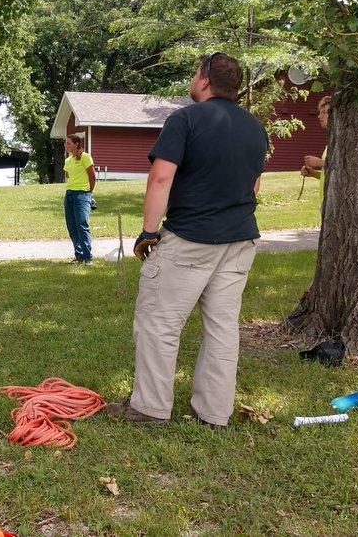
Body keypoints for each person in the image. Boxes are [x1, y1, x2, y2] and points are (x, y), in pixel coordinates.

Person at [105, 52, 268, 429]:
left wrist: (148, 232)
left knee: (159, 323)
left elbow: (161, 178)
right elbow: (255, 183)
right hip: (240, 240)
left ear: (206, 80)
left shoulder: (184, 119)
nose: (193, 80)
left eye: (196, 73)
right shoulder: (255, 128)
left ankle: (149, 409)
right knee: (223, 328)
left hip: (190, 238)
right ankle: (213, 414)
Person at [62, 133, 97, 265]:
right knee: (72, 227)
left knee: (82, 225)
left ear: (76, 144)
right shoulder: (67, 161)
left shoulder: (85, 157)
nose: (66, 146)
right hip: (69, 194)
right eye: (65, 143)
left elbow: (92, 177)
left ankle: (88, 258)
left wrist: (89, 192)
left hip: (82, 194)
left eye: (69, 143)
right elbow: (70, 177)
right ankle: (79, 256)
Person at [300, 95, 332, 196]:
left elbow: (346, 167)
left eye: (324, 112)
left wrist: (320, 163)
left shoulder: (343, 142)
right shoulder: (331, 142)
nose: (319, 116)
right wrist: (313, 173)